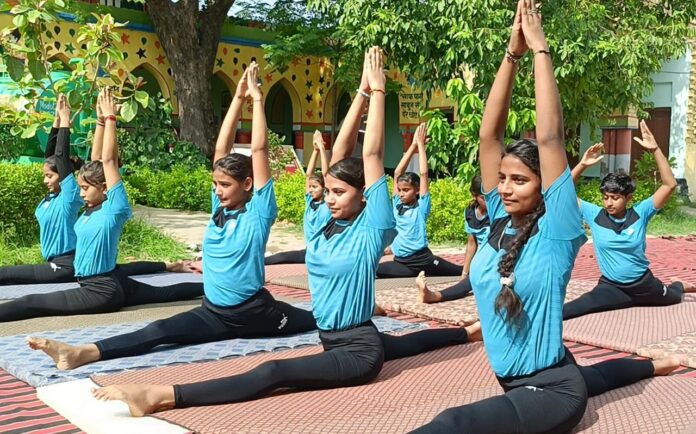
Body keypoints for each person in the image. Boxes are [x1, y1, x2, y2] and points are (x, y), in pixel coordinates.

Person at [86, 47, 479, 417]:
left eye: (341, 193)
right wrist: (358, 92)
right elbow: (340, 157)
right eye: (328, 192)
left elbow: (371, 156)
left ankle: (160, 396)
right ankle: (467, 334)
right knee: (404, 342)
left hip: (358, 351)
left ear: (366, 197)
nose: (330, 199)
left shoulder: (372, 229)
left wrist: (377, 91)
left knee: (276, 371)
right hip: (343, 335)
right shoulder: (325, 226)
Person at [413, 2, 679, 432]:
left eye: (519, 180)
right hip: (533, 378)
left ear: (544, 187)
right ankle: (653, 365)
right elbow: (489, 135)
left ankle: (651, 363)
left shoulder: (558, 229)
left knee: (452, 423)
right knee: (591, 376)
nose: (504, 187)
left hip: (551, 391)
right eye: (501, 178)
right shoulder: (499, 219)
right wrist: (510, 54)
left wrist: (540, 51)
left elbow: (550, 136)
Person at [28, 64, 316, 368]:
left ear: (248, 185)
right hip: (214, 313)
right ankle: (80, 352)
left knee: (318, 319)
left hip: (256, 313)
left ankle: (371, 310)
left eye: (226, 185)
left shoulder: (259, 212)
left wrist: (256, 100)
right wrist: (238, 97)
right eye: (215, 184)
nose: (218, 191)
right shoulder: (219, 208)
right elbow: (220, 148)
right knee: (159, 330)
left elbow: (258, 150)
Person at [0, 89, 203, 323]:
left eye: (86, 189)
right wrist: (99, 121)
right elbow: (97, 161)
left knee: (31, 303)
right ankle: (213, 285)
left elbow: (108, 161)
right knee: (166, 292)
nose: (81, 193)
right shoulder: (92, 207)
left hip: (100, 290)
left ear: (105, 187)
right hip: (113, 280)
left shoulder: (113, 208)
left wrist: (111, 119)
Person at [562, 137, 695, 320]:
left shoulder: (641, 212)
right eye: (605, 197)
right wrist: (583, 164)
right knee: (569, 310)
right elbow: (562, 193)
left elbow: (669, 185)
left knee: (673, 297)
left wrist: (655, 149)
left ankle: (679, 284)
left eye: (615, 198)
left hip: (644, 285)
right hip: (611, 287)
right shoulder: (594, 214)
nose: (609, 202)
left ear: (628, 198)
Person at [376, 123, 463, 278]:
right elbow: (397, 172)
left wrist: (421, 147)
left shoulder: (421, 208)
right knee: (372, 269)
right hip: (402, 262)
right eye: (400, 190)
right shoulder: (397, 204)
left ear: (416, 191)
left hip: (424, 259)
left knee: (460, 271)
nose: (401, 194)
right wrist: (413, 145)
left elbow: (423, 174)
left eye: (406, 190)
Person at [418, 175, 489, 303]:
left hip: (494, 259)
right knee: (468, 281)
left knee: (472, 282)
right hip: (481, 261)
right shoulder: (470, 212)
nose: (489, 202)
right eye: (484, 198)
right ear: (474, 196)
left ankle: (434, 296)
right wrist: (465, 272)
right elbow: (472, 244)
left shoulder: (499, 212)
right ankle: (432, 295)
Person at [264, 130, 330, 265]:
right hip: (310, 251)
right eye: (310, 187)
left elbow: (326, 175)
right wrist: (315, 150)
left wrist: (323, 148)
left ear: (324, 188)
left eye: (315, 187)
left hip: (324, 252)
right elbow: (308, 174)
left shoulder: (328, 203)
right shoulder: (309, 201)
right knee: (278, 258)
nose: (311, 190)